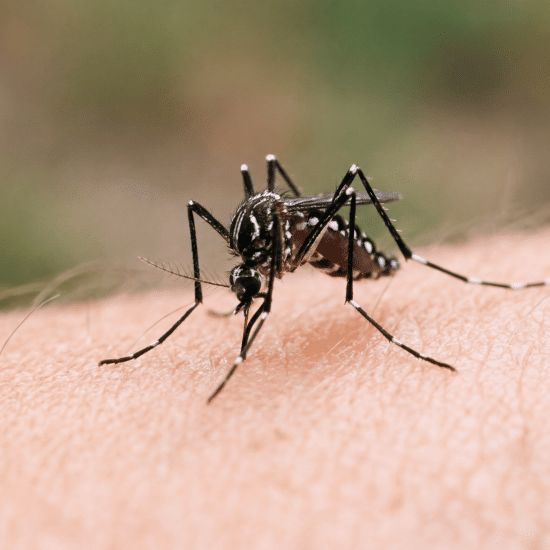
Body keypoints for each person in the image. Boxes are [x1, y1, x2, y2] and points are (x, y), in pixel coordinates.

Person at [1, 229, 549, 548]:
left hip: (336, 241)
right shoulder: (251, 259)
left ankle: (392, 284)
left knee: (348, 184)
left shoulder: (275, 245)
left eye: (247, 286)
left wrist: (348, 288)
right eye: (247, 285)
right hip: (289, 236)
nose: (249, 292)